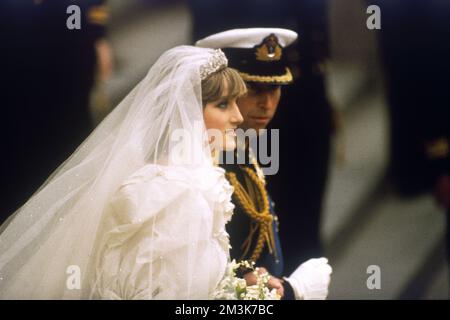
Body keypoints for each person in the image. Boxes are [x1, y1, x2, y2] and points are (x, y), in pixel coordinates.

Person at [0, 46, 247, 299]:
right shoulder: (178, 196)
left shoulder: (179, 182)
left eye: (236, 103)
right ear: (189, 111)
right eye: (223, 104)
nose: (238, 116)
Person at [196, 28, 332, 300]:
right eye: (254, 89)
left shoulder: (245, 148)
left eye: (275, 88)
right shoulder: (205, 167)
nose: (267, 103)